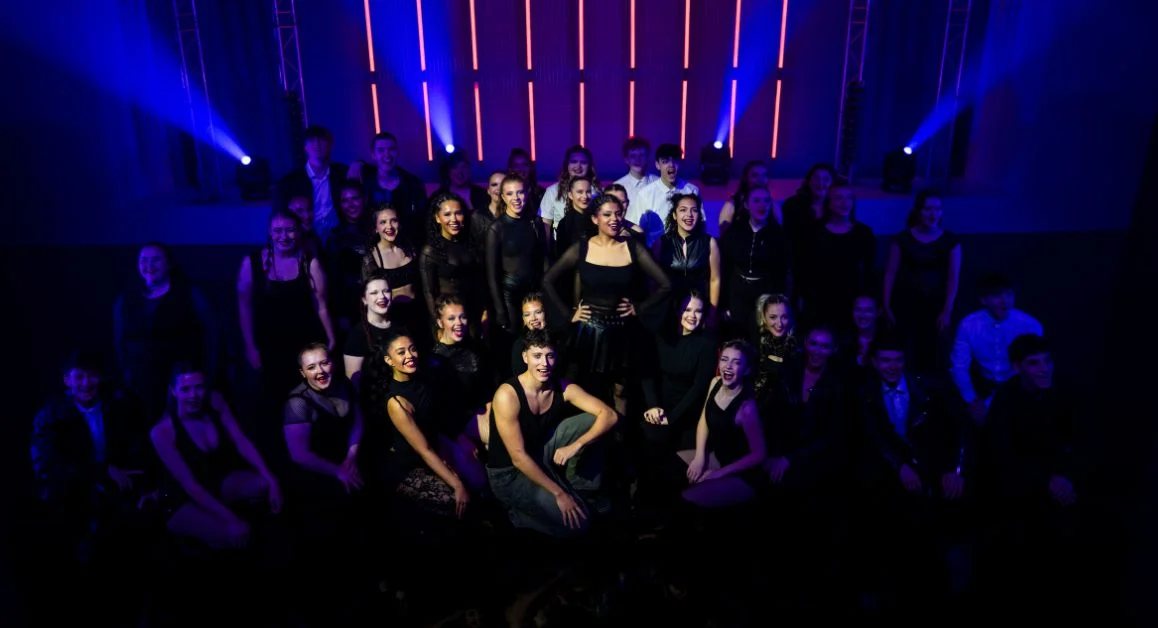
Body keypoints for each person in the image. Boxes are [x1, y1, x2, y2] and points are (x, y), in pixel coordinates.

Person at [858, 333, 973, 611]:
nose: (892, 366)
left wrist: (954, 470)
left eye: (897, 360)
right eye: (885, 360)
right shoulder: (864, 393)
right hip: (890, 472)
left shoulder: (931, 387)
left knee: (948, 518)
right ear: (874, 362)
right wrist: (900, 467)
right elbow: (872, 439)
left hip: (935, 466)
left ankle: (951, 589)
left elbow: (962, 427)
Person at [542, 193, 672, 415]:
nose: (614, 219)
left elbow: (665, 284)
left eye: (618, 214)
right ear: (595, 219)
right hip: (589, 332)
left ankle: (619, 433)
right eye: (607, 215)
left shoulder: (632, 247)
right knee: (585, 388)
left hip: (622, 332)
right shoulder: (582, 247)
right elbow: (547, 281)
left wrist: (639, 308)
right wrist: (568, 314)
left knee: (621, 390)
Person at [981, 334, 1081, 618]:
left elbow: (1087, 440)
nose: (1044, 368)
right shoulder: (1006, 398)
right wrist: (1045, 480)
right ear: (1017, 367)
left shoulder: (1068, 391)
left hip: (1064, 483)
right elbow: (1000, 453)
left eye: (1047, 361)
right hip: (1022, 490)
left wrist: (1066, 477)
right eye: (1034, 363)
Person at [487, 330, 619, 537]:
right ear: (525, 357)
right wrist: (559, 494)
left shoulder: (562, 387)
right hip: (509, 474)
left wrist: (577, 445)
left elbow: (609, 415)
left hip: (540, 452)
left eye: (549, 356)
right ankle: (518, 516)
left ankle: (581, 487)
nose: (544, 363)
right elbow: (518, 458)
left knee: (594, 421)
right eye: (537, 356)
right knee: (580, 523)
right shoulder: (508, 395)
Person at [31, 351, 150, 565]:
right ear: (67, 380)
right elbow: (47, 466)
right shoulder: (50, 415)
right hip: (73, 495)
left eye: (92, 375)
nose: (86, 383)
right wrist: (100, 471)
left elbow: (137, 445)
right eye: (79, 377)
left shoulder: (119, 403)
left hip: (117, 486)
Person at [151, 362, 282, 549]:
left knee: (264, 486)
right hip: (183, 500)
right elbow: (190, 486)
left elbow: (241, 441)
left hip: (215, 484)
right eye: (185, 389)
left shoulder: (215, 402)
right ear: (174, 391)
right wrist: (232, 519)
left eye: (199, 387)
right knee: (234, 534)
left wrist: (271, 479)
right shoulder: (162, 432)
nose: (193, 395)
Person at [114, 241, 220, 418]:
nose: (149, 266)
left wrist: (210, 373)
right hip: (142, 382)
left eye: (155, 260)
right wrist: (126, 373)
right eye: (144, 261)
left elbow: (212, 334)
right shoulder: (126, 299)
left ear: (169, 264)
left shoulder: (190, 293)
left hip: (183, 382)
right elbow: (119, 340)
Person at [238, 209, 335, 400]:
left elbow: (321, 306)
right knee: (274, 399)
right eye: (278, 230)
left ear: (298, 232)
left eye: (290, 230)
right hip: (269, 347)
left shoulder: (310, 263)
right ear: (270, 232)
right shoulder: (251, 263)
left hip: (304, 345)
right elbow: (244, 308)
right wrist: (249, 346)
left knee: (308, 399)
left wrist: (331, 339)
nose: (284, 236)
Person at [376, 330, 474, 517]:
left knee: (475, 481)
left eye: (412, 349)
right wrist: (457, 484)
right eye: (401, 352)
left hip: (434, 451)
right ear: (389, 361)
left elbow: (438, 420)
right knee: (455, 499)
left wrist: (460, 440)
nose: (410, 355)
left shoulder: (423, 379)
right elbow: (424, 450)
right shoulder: (396, 402)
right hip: (409, 466)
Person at [641, 291, 718, 494]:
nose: (692, 316)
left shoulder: (706, 344)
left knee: (671, 459)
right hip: (658, 406)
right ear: (677, 311)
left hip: (687, 411)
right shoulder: (662, 336)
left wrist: (672, 417)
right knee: (646, 439)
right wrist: (653, 405)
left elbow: (699, 388)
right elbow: (648, 374)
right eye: (687, 309)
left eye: (698, 311)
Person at [883, 189, 962, 373]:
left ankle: (926, 385)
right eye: (928, 209)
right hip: (905, 301)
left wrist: (947, 310)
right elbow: (890, 273)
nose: (933, 213)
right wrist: (886, 304)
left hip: (935, 303)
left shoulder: (950, 241)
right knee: (901, 345)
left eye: (937, 209)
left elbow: (953, 278)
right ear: (918, 211)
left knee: (930, 349)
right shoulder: (903, 239)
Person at [680, 339, 766, 508]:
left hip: (742, 474)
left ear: (747, 370)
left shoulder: (747, 407)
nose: (728, 366)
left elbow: (759, 454)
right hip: (719, 457)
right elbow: (704, 420)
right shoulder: (715, 382)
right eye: (724, 359)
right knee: (670, 472)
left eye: (736, 362)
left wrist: (719, 473)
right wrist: (699, 457)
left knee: (687, 501)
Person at [949, 273, 1043, 426]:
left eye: (1009, 295)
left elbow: (1036, 366)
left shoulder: (1030, 325)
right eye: (997, 296)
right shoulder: (969, 324)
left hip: (1019, 386)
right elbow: (959, 366)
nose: (1005, 301)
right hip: (983, 385)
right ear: (983, 299)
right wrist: (972, 400)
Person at [284, 344, 363, 504]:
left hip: (350, 459)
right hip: (319, 471)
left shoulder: (344, 384)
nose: (320, 371)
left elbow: (358, 422)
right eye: (311, 367)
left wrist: (351, 456)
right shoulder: (298, 403)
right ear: (303, 373)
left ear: (333, 363)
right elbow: (299, 454)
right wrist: (338, 472)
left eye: (324, 363)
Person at [719, 186, 791, 339]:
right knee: (736, 336)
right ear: (746, 204)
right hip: (737, 292)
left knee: (760, 337)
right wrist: (723, 303)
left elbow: (782, 273)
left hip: (765, 293)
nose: (762, 205)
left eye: (766, 201)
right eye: (757, 201)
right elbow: (725, 268)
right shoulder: (734, 232)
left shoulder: (779, 235)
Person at [350, 132, 429, 244]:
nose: (387, 154)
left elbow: (422, 219)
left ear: (397, 152)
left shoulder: (413, 183)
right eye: (381, 150)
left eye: (391, 149)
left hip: (407, 245)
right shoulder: (365, 183)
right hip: (374, 245)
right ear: (373, 155)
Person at [419, 192, 484, 329]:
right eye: (447, 214)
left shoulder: (471, 244)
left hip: (473, 315)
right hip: (449, 319)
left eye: (458, 213)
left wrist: (484, 310)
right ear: (437, 218)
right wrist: (438, 323)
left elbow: (479, 282)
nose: (454, 219)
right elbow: (429, 293)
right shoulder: (430, 251)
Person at [653, 193, 722, 321]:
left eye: (694, 210)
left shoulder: (709, 242)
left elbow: (715, 280)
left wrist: (712, 313)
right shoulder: (662, 243)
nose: (689, 215)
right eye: (683, 210)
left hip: (698, 309)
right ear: (674, 215)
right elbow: (653, 280)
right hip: (669, 307)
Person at [275, 125, 348, 244]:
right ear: (305, 146)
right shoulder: (290, 181)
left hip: (338, 238)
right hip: (304, 239)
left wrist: (359, 163)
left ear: (330, 145)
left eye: (321, 139)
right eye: (312, 140)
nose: (317, 144)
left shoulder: (341, 174)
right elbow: (279, 216)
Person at [634, 143, 701, 246]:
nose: (671, 165)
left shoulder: (692, 191)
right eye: (665, 162)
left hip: (687, 250)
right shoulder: (645, 194)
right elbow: (638, 229)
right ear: (657, 165)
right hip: (655, 251)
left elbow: (701, 224)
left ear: (681, 162)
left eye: (675, 161)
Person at [717, 160, 770, 233]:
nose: (760, 179)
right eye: (755, 175)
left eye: (764, 175)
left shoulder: (772, 204)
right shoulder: (734, 202)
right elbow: (724, 232)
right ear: (746, 178)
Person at [612, 137, 658, 209]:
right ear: (626, 159)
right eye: (633, 156)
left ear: (648, 157)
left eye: (642, 155)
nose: (638, 160)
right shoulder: (617, 186)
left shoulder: (658, 182)